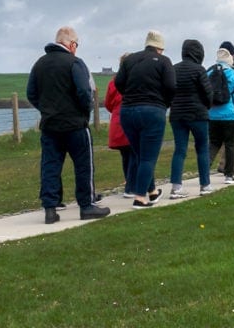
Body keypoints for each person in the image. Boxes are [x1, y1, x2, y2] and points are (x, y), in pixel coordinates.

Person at [26, 26, 110, 224]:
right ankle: (86, 205)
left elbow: (31, 93)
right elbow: (83, 91)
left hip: (50, 124)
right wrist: (84, 110)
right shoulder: (75, 63)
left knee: (50, 166)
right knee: (83, 165)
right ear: (72, 44)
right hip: (75, 124)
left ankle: (50, 208)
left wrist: (45, 109)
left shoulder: (39, 64)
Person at [116, 30, 175, 209]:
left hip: (127, 112)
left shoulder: (130, 60)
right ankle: (140, 198)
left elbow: (119, 83)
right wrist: (164, 103)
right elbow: (171, 86)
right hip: (152, 111)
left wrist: (130, 95)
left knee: (140, 154)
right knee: (148, 157)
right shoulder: (164, 62)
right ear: (160, 48)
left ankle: (152, 192)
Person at [168, 39, 213, 199]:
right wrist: (207, 105)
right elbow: (208, 93)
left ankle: (176, 187)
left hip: (177, 114)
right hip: (197, 114)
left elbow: (168, 91)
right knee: (202, 148)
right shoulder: (199, 70)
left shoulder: (173, 69)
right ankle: (205, 185)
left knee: (180, 150)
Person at [207, 45, 234, 184]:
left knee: (213, 144)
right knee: (230, 144)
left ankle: (204, 171)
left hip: (212, 115)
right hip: (231, 115)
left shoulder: (209, 73)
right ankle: (229, 175)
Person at [103, 54, 134, 194]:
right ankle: (132, 186)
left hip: (117, 120)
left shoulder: (113, 82)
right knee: (135, 154)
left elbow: (108, 103)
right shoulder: (135, 80)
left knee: (125, 154)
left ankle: (129, 181)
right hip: (132, 118)